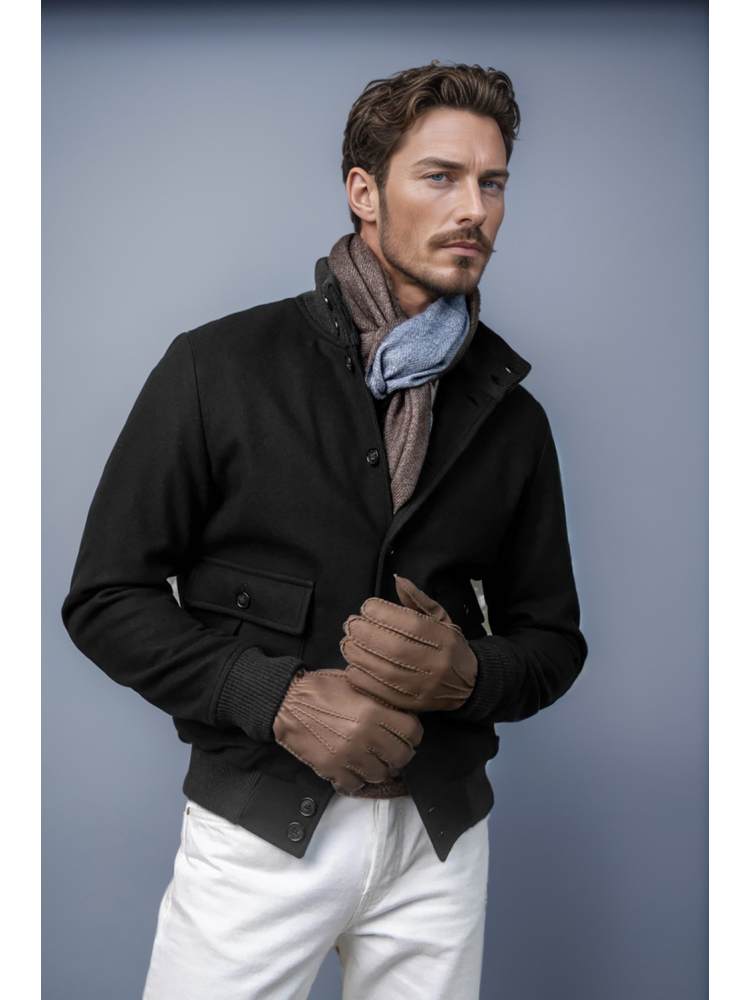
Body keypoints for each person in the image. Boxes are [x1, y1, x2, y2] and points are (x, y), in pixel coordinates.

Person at [61, 59, 588, 1000]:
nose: (474, 208)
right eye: (440, 176)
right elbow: (105, 598)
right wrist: (277, 698)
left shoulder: (514, 419)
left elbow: (553, 642)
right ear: (364, 192)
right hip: (259, 833)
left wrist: (469, 676)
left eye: (493, 182)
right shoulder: (217, 368)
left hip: (440, 841)